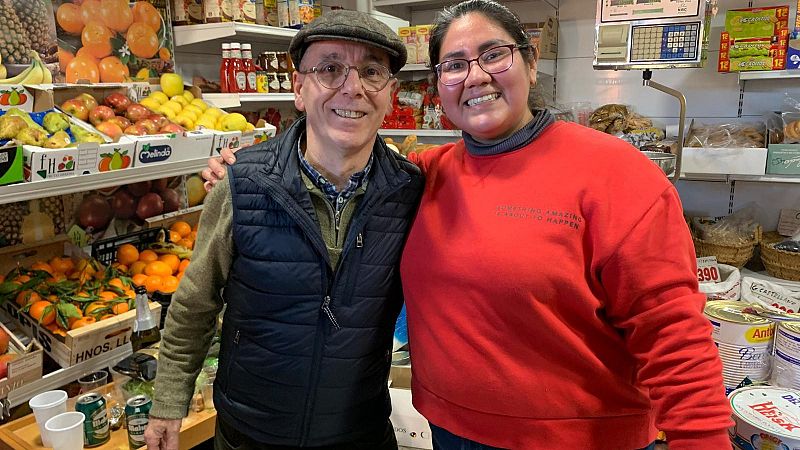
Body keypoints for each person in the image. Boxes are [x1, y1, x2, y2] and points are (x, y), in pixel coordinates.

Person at [204, 1, 733, 449]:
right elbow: (338, 175)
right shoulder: (425, 177)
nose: (474, 75)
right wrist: (248, 171)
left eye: (493, 54)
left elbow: (675, 337)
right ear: (439, 86)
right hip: (451, 432)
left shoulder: (615, 174)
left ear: (530, 62)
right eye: (454, 64)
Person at [145, 10, 423, 450]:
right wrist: (168, 402)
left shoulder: (411, 194)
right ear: (298, 88)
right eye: (329, 69)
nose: (352, 88)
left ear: (391, 94)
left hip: (359, 432)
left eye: (371, 72)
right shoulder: (242, 184)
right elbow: (194, 304)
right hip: (252, 433)